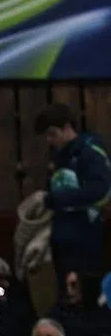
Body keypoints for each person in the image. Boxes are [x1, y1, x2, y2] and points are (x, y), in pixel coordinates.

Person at [33, 103, 111, 298]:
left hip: (85, 236)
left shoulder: (90, 153)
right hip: (62, 236)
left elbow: (100, 191)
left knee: (83, 293)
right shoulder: (59, 157)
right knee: (63, 291)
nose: (51, 141)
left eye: (53, 134)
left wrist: (56, 199)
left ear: (67, 127)